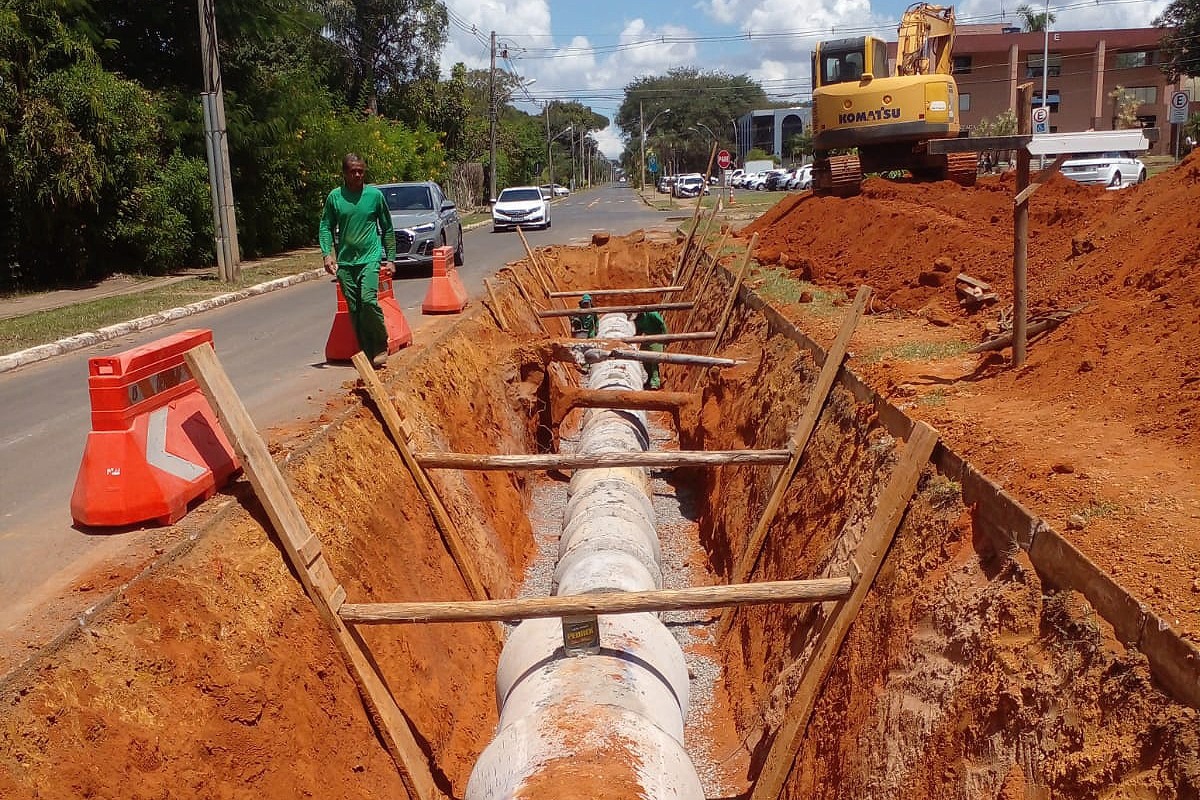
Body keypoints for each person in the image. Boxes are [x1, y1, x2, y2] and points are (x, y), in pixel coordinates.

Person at [319, 153, 396, 369]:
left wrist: (390, 258)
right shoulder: (335, 197)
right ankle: (368, 352)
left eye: (360, 170)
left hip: (370, 258)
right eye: (353, 171)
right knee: (354, 308)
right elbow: (325, 226)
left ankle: (380, 344)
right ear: (344, 173)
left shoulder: (374, 196)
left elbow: (387, 228)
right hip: (345, 262)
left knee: (368, 301)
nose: (357, 174)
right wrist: (327, 253)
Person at [633, 310, 668, 389]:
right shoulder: (638, 319)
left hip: (657, 337)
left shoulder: (652, 314)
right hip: (647, 338)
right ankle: (649, 379)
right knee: (644, 358)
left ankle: (655, 382)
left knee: (654, 360)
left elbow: (662, 324)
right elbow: (639, 330)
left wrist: (665, 338)